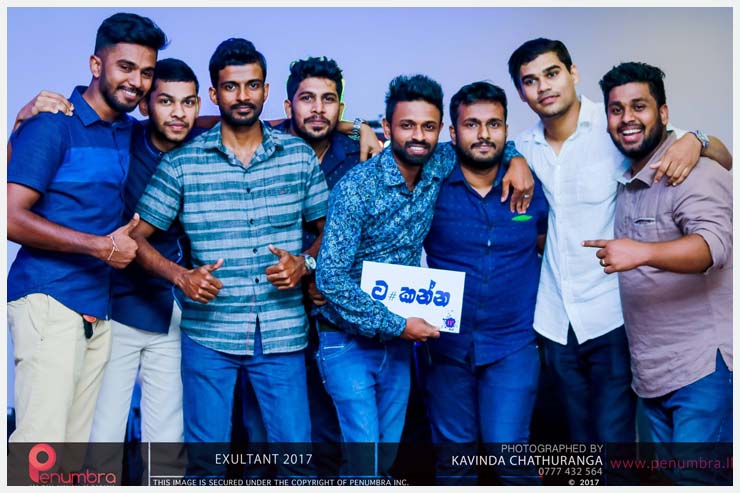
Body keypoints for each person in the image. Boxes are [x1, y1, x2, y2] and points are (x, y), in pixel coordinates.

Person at [507, 38, 732, 444]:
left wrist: (697, 138)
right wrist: (514, 157)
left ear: (573, 73)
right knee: (578, 445)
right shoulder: (524, 147)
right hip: (555, 317)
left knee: (616, 442)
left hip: (611, 313)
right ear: (522, 93)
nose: (544, 86)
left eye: (552, 73)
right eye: (530, 80)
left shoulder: (616, 125)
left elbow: (719, 155)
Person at [315, 74, 532, 477]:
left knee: (385, 460)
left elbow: (483, 140)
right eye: (407, 125)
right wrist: (398, 324)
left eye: (428, 126)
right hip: (347, 340)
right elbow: (330, 279)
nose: (418, 136)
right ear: (387, 127)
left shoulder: (438, 163)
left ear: (440, 131)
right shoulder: (356, 188)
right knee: (364, 462)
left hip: (398, 346)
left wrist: (516, 157)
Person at [131, 38, 327, 478]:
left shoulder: (297, 157)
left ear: (266, 89)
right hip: (209, 335)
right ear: (214, 94)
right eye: (231, 87)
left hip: (282, 333)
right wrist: (180, 276)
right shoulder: (182, 164)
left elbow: (329, 229)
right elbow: (135, 239)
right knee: (207, 468)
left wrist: (305, 263)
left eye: (252, 85)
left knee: (297, 466)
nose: (242, 96)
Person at [6, 12, 167, 448]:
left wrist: (341, 125)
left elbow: (196, 123)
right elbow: (10, 217)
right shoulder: (51, 124)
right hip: (49, 299)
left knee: (71, 454)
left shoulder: (126, 131)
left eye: (146, 72)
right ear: (96, 65)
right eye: (126, 67)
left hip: (97, 308)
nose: (136, 82)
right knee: (40, 449)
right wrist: (99, 247)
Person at [584, 62, 731, 483]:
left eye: (639, 106)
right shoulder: (626, 180)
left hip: (704, 369)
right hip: (652, 372)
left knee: (697, 482)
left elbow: (713, 247)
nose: (627, 118)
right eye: (616, 109)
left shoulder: (694, 172)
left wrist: (641, 252)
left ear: (663, 113)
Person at [422, 81, 547, 485]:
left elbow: (548, 242)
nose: (483, 134)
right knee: (454, 464)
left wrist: (517, 158)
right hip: (445, 344)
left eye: (494, 124)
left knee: (510, 457)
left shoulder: (530, 186)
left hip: (512, 343)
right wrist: (359, 129)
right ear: (452, 132)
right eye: (471, 124)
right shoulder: (430, 183)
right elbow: (398, 136)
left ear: (506, 130)